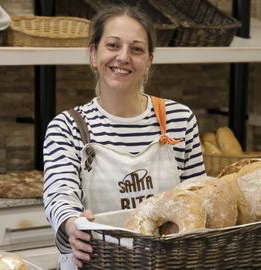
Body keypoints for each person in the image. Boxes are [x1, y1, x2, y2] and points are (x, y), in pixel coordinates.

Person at [43, 5, 205, 269]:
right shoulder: (67, 127)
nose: (123, 57)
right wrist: (73, 224)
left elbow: (196, 198)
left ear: (150, 60)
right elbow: (59, 196)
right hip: (95, 261)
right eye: (113, 45)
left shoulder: (179, 119)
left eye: (136, 49)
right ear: (93, 54)